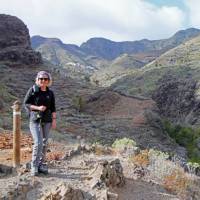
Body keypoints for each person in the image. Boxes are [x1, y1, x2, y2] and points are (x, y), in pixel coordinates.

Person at [24, 71, 56, 176]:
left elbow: (53, 107)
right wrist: (38, 108)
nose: (43, 80)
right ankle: (34, 165)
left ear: (48, 81)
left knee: (45, 143)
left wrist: (54, 120)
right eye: (41, 78)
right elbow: (26, 104)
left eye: (45, 79)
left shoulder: (50, 93)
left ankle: (41, 165)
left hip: (47, 121)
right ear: (37, 80)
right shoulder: (33, 90)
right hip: (35, 120)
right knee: (38, 143)